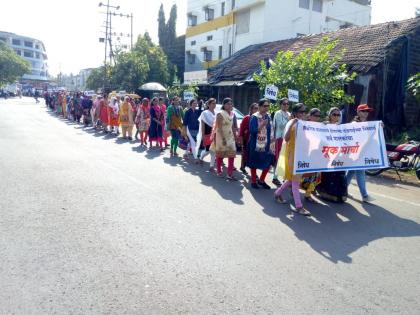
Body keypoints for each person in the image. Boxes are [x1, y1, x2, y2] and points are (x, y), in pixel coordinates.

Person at [274, 103, 311, 216]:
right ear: (295, 113)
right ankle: (299, 207)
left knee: (292, 179)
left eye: (305, 111)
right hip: (293, 155)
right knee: (295, 181)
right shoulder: (292, 122)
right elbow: (286, 138)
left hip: (302, 155)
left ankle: (277, 193)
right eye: (301, 112)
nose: (303, 114)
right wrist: (292, 124)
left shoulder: (305, 123)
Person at [315, 107, 348, 203]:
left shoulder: (341, 127)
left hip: (338, 155)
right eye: (334, 114)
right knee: (328, 175)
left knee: (339, 174)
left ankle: (339, 193)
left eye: (338, 115)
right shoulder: (325, 125)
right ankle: (324, 192)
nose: (336, 116)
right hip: (327, 154)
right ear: (330, 115)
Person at [346, 104, 376, 203]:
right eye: (363, 111)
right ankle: (365, 195)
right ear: (358, 112)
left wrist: (379, 127)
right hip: (355, 152)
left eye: (367, 111)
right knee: (360, 172)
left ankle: (342, 190)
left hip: (361, 152)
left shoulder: (367, 124)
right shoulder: (354, 124)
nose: (366, 113)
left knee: (351, 172)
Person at [247, 98, 275, 189]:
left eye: (268, 106)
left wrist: (272, 139)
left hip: (267, 144)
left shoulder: (268, 116)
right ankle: (254, 181)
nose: (267, 108)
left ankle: (262, 180)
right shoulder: (255, 117)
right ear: (259, 107)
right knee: (254, 162)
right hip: (255, 144)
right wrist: (262, 125)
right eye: (264, 106)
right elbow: (252, 130)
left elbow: (270, 129)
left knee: (268, 161)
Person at [211, 98, 237, 180]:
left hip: (230, 137)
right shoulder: (220, 114)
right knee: (220, 155)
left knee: (232, 155)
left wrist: (235, 135)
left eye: (231, 104)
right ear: (224, 105)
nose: (229, 105)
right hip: (221, 137)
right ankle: (218, 171)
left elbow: (232, 126)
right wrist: (223, 139)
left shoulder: (232, 114)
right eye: (228, 104)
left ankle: (229, 174)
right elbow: (219, 128)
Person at [300, 108, 322, 203]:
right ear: (310, 115)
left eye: (319, 116)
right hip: (305, 154)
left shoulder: (321, 126)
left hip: (316, 154)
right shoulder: (304, 125)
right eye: (315, 115)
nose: (317, 118)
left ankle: (308, 194)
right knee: (301, 175)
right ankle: (293, 188)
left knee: (314, 175)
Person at [272, 97, 291, 186]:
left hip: (287, 139)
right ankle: (275, 177)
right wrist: (290, 120)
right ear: (280, 105)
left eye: (287, 104)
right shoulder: (278, 113)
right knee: (278, 158)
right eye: (284, 104)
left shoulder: (289, 114)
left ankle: (285, 177)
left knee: (286, 159)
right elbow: (280, 125)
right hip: (279, 138)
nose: (286, 105)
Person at [197, 98, 216, 170]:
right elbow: (202, 124)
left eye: (215, 103)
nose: (214, 105)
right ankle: (201, 157)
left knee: (213, 150)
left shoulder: (216, 113)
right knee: (208, 150)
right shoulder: (204, 113)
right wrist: (203, 135)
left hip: (214, 134)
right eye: (212, 103)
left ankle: (211, 166)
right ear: (208, 104)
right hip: (207, 133)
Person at [239, 103, 258, 175]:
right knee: (245, 153)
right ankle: (243, 166)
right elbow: (241, 129)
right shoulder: (246, 117)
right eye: (255, 108)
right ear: (251, 109)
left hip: (255, 139)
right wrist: (240, 138)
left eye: (257, 108)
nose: (256, 110)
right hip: (246, 139)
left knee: (252, 155)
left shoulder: (258, 118)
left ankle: (251, 170)